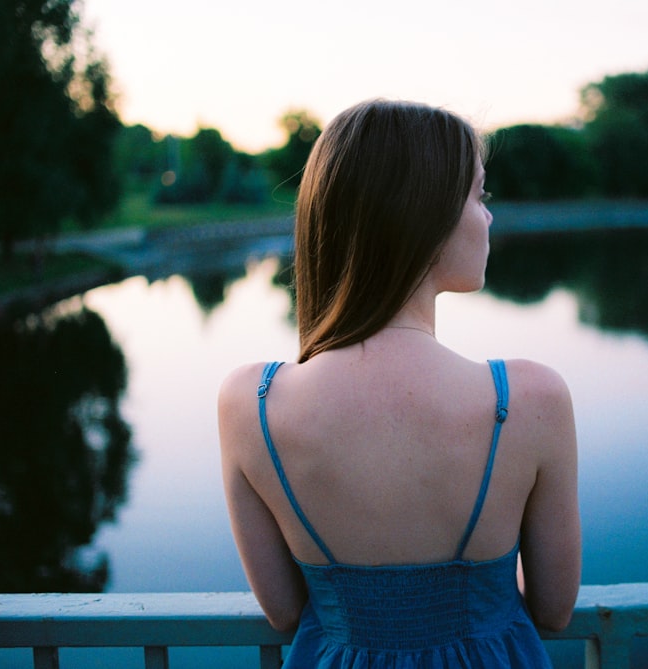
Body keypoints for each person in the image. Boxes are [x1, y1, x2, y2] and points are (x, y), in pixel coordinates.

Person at [218, 99, 580, 667]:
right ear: (425, 215)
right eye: (478, 195)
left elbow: (285, 612)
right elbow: (555, 610)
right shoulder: (530, 399)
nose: (487, 217)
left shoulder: (251, 403)